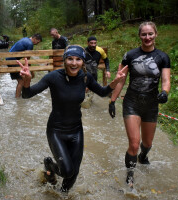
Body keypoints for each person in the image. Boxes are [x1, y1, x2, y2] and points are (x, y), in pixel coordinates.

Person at [17, 45, 128, 194]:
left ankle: (61, 195)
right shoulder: (53, 77)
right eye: (70, 59)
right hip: (56, 130)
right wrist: (27, 81)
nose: (74, 63)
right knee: (67, 171)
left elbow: (102, 92)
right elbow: (27, 94)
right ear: (64, 60)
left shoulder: (86, 78)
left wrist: (115, 82)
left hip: (76, 131)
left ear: (82, 62)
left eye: (78, 59)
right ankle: (49, 164)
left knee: (73, 173)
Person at [108, 21, 171, 187]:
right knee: (134, 144)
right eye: (144, 34)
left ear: (155, 34)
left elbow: (166, 79)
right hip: (132, 103)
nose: (147, 37)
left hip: (151, 104)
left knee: (147, 144)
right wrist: (113, 100)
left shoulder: (163, 57)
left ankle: (143, 157)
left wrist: (164, 92)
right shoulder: (130, 55)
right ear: (139, 36)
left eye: (150, 34)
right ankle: (130, 175)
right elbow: (120, 80)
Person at [6, 33, 42, 98]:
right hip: (12, 60)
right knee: (21, 81)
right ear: (35, 39)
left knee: (22, 79)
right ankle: (17, 99)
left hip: (10, 59)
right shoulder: (30, 44)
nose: (37, 44)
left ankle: (21, 95)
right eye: (37, 42)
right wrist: (31, 71)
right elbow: (27, 60)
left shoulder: (25, 39)